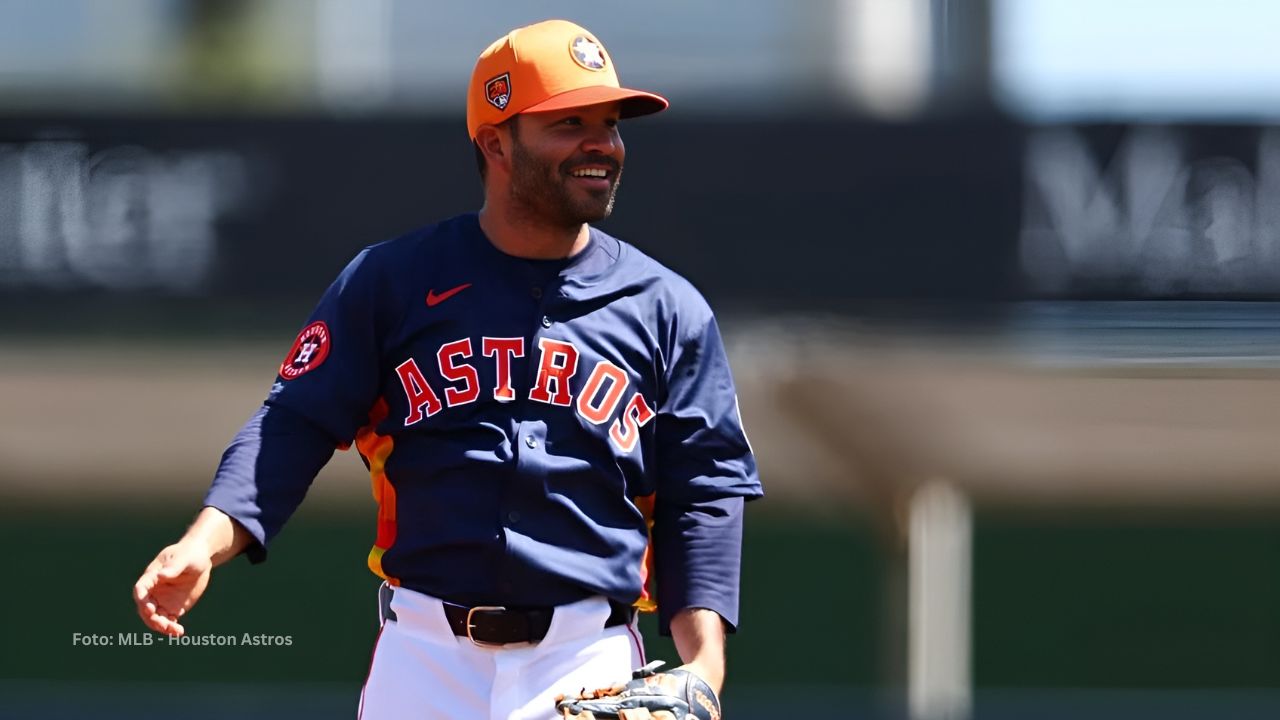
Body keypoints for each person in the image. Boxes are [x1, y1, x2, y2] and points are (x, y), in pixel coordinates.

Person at [132, 18, 762, 720]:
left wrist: (704, 666)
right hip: (425, 661)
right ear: (495, 141)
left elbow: (704, 494)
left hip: (589, 663)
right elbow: (295, 422)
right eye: (569, 122)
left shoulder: (667, 308)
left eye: (611, 123)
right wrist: (204, 541)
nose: (602, 145)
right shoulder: (393, 281)